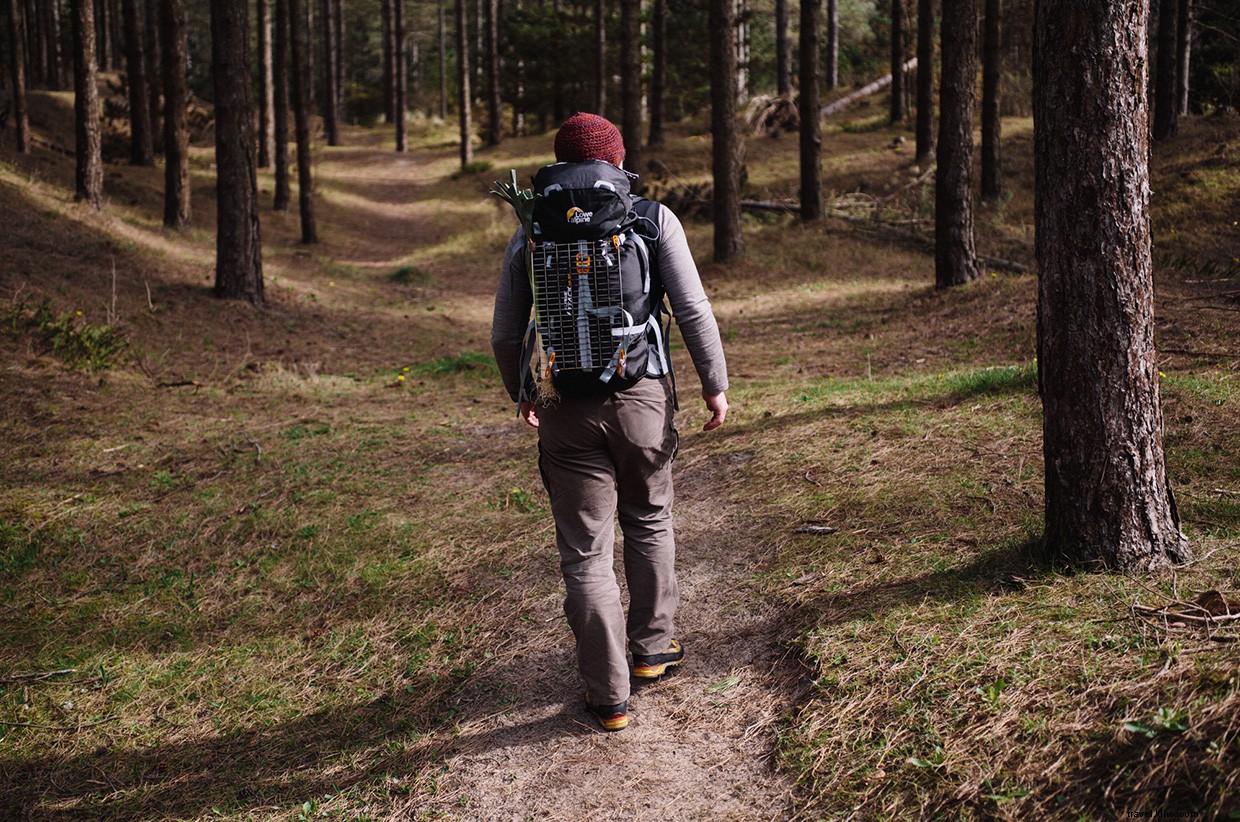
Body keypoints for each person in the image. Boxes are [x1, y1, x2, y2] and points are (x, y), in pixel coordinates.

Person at [491, 113, 729, 732]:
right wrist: (715, 384)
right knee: (648, 518)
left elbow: (506, 331)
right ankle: (652, 649)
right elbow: (694, 309)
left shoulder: (532, 228)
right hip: (641, 397)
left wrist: (523, 391)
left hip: (564, 406)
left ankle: (608, 695)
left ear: (558, 163)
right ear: (617, 163)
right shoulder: (651, 219)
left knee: (585, 552)